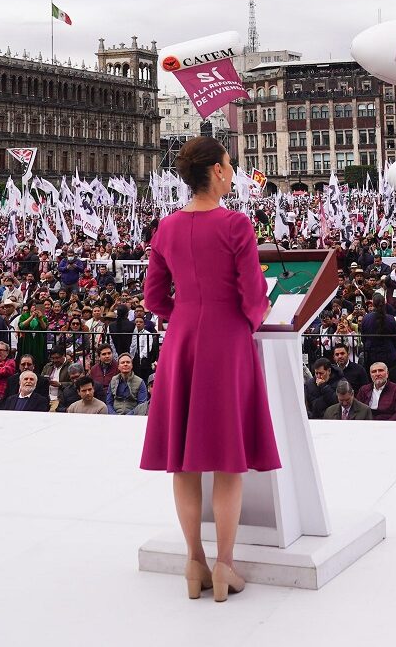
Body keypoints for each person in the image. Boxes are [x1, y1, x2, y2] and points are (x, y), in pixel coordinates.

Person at [139, 136, 279, 603]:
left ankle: (194, 559)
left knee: (183, 459)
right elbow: (253, 295)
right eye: (230, 164)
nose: (233, 170)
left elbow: (154, 297)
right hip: (227, 341)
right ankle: (225, 566)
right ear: (217, 171)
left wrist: (183, 316)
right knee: (225, 459)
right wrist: (253, 318)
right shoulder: (237, 224)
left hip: (182, 341)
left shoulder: (167, 227)